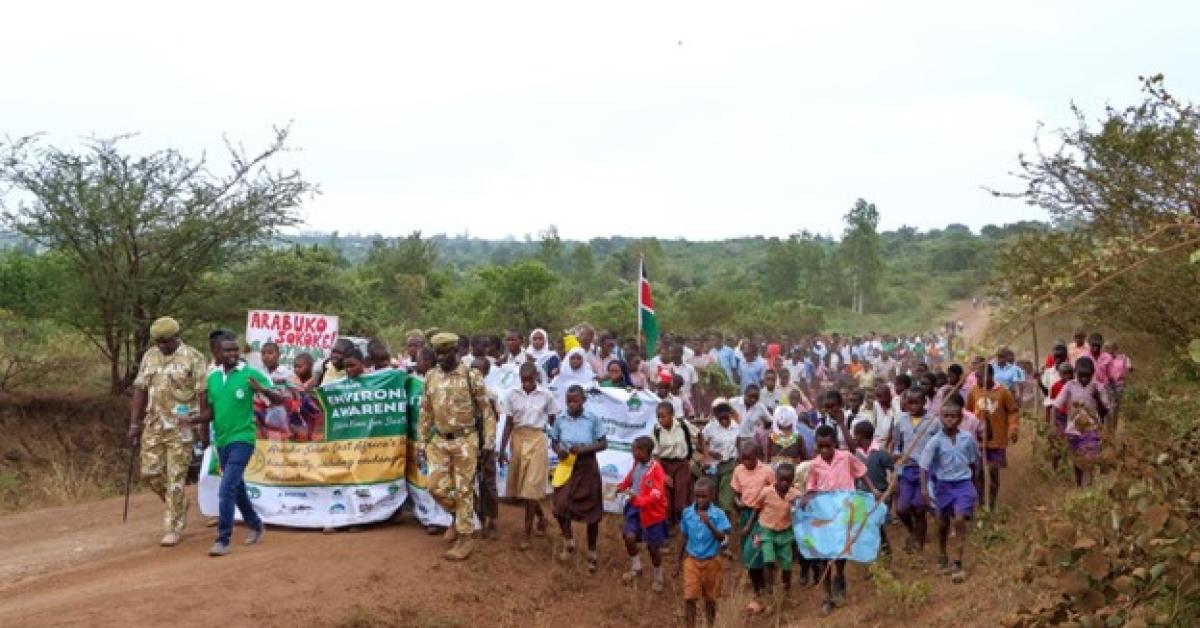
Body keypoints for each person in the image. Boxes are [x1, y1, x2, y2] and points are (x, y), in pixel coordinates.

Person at [195, 335, 283, 556]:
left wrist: (261, 390)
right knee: (237, 487)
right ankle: (255, 524)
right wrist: (193, 420)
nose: (233, 354)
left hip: (243, 439)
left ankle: (222, 539)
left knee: (226, 489)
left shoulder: (249, 373)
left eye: (235, 350)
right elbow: (211, 412)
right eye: (228, 351)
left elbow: (279, 399)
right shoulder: (213, 378)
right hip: (222, 441)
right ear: (216, 352)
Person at [128, 317, 211, 547]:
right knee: (149, 473)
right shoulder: (150, 356)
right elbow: (139, 389)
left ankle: (172, 527)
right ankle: (178, 503)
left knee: (176, 476)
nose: (161, 345)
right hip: (153, 424)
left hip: (181, 426)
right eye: (158, 341)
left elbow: (203, 394)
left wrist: (203, 428)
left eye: (165, 341)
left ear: (176, 336)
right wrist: (134, 424)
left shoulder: (194, 357)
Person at [417, 333, 498, 561]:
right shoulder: (431, 377)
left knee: (463, 489)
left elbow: (486, 411)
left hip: (465, 440)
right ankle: (458, 515)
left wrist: (489, 441)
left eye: (445, 353)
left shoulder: (471, 376)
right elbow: (425, 412)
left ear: (456, 352)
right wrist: (422, 442)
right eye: (438, 353)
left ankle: (465, 538)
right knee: (435, 487)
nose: (441, 358)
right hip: (440, 441)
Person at [803, 423, 878, 614]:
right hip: (824, 513)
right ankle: (826, 597)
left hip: (844, 511)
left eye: (828, 446)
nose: (825, 450)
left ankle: (839, 575)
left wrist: (873, 490)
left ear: (835, 443)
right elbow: (811, 488)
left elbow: (862, 472)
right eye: (821, 447)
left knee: (841, 550)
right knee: (824, 556)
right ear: (816, 447)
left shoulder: (845, 457)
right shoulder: (814, 465)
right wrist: (806, 498)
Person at [919, 397, 980, 584]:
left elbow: (973, 461)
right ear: (940, 418)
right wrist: (924, 489)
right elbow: (924, 466)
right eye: (946, 416)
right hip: (943, 486)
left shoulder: (967, 439)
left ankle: (958, 561)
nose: (949, 420)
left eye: (953, 416)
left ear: (960, 418)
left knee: (960, 519)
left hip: (962, 484)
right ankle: (942, 552)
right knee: (942, 523)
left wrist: (972, 484)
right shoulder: (935, 441)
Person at [550, 384, 608, 571]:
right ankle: (569, 541)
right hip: (567, 466)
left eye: (576, 400)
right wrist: (559, 451)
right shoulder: (561, 419)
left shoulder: (592, 420)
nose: (572, 404)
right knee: (559, 507)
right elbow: (554, 440)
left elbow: (603, 443)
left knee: (592, 513)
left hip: (587, 466)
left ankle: (592, 553)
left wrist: (583, 449)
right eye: (569, 401)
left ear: (583, 400)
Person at [500, 363, 556, 549]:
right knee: (522, 487)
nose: (527, 384)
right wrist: (502, 449)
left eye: (530, 380)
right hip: (518, 437)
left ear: (536, 377)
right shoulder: (511, 395)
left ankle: (527, 534)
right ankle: (541, 518)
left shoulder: (546, 395)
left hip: (538, 439)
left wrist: (553, 440)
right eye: (524, 380)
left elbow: (553, 419)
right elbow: (508, 423)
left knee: (531, 486)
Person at [617, 436, 669, 593]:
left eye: (636, 450)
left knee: (653, 548)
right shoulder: (637, 464)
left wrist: (639, 499)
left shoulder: (656, 469)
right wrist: (621, 486)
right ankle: (636, 567)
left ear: (645, 451)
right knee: (629, 537)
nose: (633, 452)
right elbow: (631, 478)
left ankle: (658, 576)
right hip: (635, 510)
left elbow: (657, 494)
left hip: (652, 514)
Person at [677, 477, 731, 628]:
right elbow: (684, 537)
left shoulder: (718, 514)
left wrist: (709, 523)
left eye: (704, 496)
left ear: (712, 496)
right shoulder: (687, 513)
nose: (700, 500)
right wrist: (678, 562)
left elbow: (723, 537)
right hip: (692, 560)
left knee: (710, 599)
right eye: (697, 496)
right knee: (689, 598)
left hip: (711, 561)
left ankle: (710, 624)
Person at [744, 463, 802, 602]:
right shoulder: (766, 492)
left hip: (785, 532)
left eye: (788, 480)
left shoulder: (795, 495)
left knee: (787, 564)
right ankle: (769, 592)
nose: (784, 483)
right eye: (781, 479)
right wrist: (748, 526)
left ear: (792, 480)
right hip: (767, 531)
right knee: (768, 560)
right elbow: (756, 509)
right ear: (776, 478)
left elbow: (802, 512)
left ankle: (786, 593)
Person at [966, 364, 1019, 511]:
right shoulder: (974, 391)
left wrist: (1013, 429)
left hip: (996, 440)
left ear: (990, 376)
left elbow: (1013, 411)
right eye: (976, 376)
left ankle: (992, 503)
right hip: (977, 442)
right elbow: (968, 412)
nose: (977, 379)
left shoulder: (1003, 392)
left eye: (980, 376)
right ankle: (982, 503)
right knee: (978, 474)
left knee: (993, 472)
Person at [730, 441, 775, 611]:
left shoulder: (767, 472)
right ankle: (758, 587)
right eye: (744, 459)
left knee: (754, 551)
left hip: (761, 516)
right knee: (747, 553)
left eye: (750, 459)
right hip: (745, 513)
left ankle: (761, 591)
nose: (747, 462)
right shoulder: (738, 471)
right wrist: (738, 503)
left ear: (757, 456)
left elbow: (773, 493)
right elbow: (735, 494)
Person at [893, 388, 938, 552]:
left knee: (919, 507)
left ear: (924, 402)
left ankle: (919, 543)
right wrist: (896, 457)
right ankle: (913, 532)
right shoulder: (901, 421)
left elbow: (938, 445)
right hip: (907, 470)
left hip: (926, 470)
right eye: (909, 403)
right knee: (901, 509)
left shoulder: (933, 421)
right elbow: (897, 445)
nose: (912, 406)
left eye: (916, 402)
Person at [1055, 357, 1109, 487]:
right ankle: (1079, 485)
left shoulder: (1098, 387)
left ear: (1092, 374)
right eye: (1081, 376)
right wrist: (1055, 425)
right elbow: (1056, 406)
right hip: (1073, 429)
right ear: (1076, 373)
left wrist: (1097, 398)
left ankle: (1089, 485)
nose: (1084, 379)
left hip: (1092, 428)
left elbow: (1105, 411)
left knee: (1090, 458)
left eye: (1087, 376)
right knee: (1077, 459)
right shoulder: (1070, 385)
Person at [471, 357, 502, 540]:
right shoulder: (465, 392)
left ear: (486, 373)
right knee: (471, 482)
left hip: (486, 443)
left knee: (488, 482)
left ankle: (493, 518)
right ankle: (479, 517)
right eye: (473, 369)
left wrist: (488, 444)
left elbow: (495, 419)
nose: (475, 373)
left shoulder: (491, 394)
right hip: (469, 443)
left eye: (479, 370)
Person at [852, 421, 893, 554]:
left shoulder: (881, 453)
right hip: (863, 495)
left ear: (861, 436)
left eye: (855, 435)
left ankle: (884, 552)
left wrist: (887, 494)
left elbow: (892, 474)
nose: (853, 438)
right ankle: (879, 552)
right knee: (869, 525)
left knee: (876, 524)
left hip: (879, 495)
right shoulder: (857, 454)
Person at [651, 400, 694, 528]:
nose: (660, 419)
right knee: (666, 499)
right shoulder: (656, 430)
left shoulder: (682, 425)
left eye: (663, 416)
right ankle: (668, 528)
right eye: (658, 416)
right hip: (664, 465)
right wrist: (663, 474)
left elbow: (699, 434)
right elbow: (656, 454)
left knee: (681, 498)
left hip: (681, 464)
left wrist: (705, 457)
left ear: (672, 415)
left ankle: (683, 527)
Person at [698, 398, 740, 519]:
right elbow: (701, 442)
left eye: (726, 418)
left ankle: (724, 521)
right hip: (713, 465)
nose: (724, 421)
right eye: (721, 418)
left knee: (726, 496)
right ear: (716, 417)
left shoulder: (736, 427)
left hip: (729, 464)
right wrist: (709, 453)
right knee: (712, 493)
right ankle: (711, 519)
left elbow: (738, 443)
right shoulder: (710, 427)